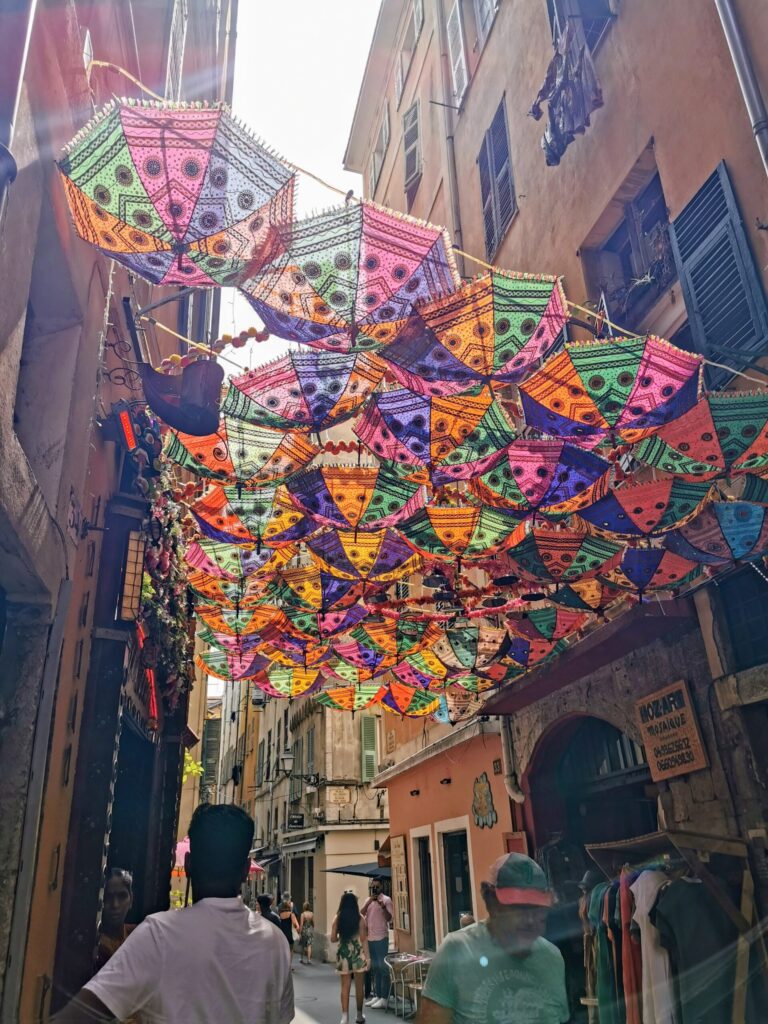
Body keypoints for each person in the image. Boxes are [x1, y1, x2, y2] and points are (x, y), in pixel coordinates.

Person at [52, 804, 293, 1024]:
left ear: (188, 864)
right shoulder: (275, 942)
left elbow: (76, 1018)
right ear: (244, 871)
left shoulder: (159, 935)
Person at [418, 853, 570, 1024]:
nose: (529, 920)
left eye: (537, 909)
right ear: (491, 902)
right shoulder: (456, 950)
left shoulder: (552, 957)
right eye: (517, 908)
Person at [331, 891, 370, 1024]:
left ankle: (344, 1016)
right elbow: (364, 939)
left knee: (345, 986)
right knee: (359, 986)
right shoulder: (360, 918)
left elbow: (332, 938)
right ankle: (359, 1015)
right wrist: (368, 958)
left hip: (343, 954)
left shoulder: (338, 917)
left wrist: (340, 937)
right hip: (358, 955)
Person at [92, 868, 135, 973]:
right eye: (108, 897)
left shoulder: (138, 934)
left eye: (122, 896)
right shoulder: (92, 944)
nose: (115, 905)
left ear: (131, 901)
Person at [361, 878, 392, 1009]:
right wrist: (368, 902)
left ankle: (384, 997)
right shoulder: (368, 901)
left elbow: (390, 918)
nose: (374, 889)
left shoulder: (386, 900)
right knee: (375, 968)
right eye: (372, 887)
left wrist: (383, 907)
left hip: (381, 937)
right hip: (371, 938)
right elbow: (361, 913)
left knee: (382, 968)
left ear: (381, 888)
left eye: (377, 887)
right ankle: (378, 995)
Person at [277, 898, 301, 962]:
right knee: (290, 950)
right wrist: (297, 930)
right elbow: (296, 925)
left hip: (282, 934)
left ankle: (284, 964)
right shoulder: (291, 914)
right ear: (288, 906)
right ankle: (289, 965)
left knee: (283, 950)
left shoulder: (280, 914)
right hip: (289, 934)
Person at [299, 900, 315, 965]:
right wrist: (313, 927)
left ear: (304, 907)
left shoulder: (303, 914)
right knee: (309, 945)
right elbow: (313, 923)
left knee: (303, 945)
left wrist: (300, 933)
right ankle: (309, 960)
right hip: (310, 930)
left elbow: (301, 924)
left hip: (304, 931)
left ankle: (301, 958)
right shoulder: (312, 914)